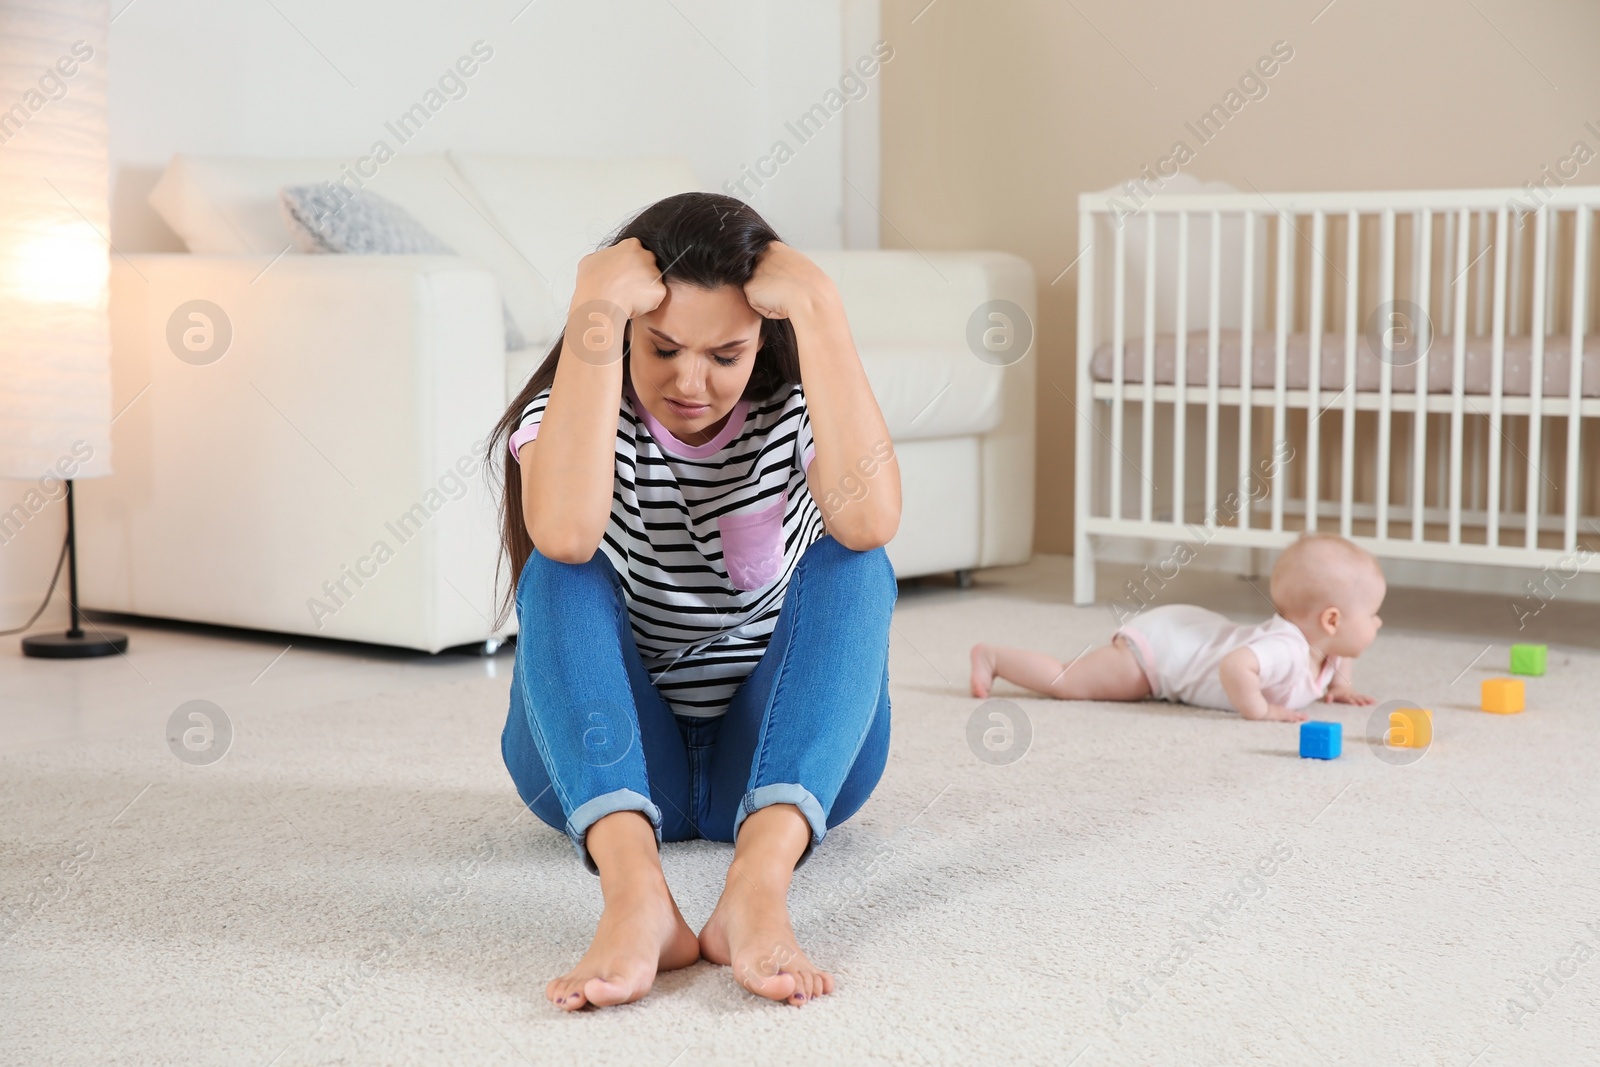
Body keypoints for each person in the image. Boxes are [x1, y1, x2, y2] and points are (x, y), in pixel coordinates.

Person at [488, 192, 901, 1011]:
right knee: (558, 568)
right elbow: (566, 535)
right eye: (664, 346)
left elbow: (870, 516)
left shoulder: (793, 411)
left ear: (763, 340)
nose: (689, 381)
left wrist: (819, 305)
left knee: (860, 561)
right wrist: (595, 304)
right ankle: (636, 896)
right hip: (607, 758)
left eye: (725, 353)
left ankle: (758, 881)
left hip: (778, 758)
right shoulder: (577, 411)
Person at [970, 533, 1384, 720]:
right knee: (1068, 681)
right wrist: (1262, 711)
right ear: (1331, 619)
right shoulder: (1287, 649)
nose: (1379, 622)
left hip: (1191, 633)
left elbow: (1337, 652)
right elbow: (1235, 667)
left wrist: (1340, 687)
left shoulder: (1324, 646)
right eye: (1373, 614)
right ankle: (994, 657)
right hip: (1160, 655)